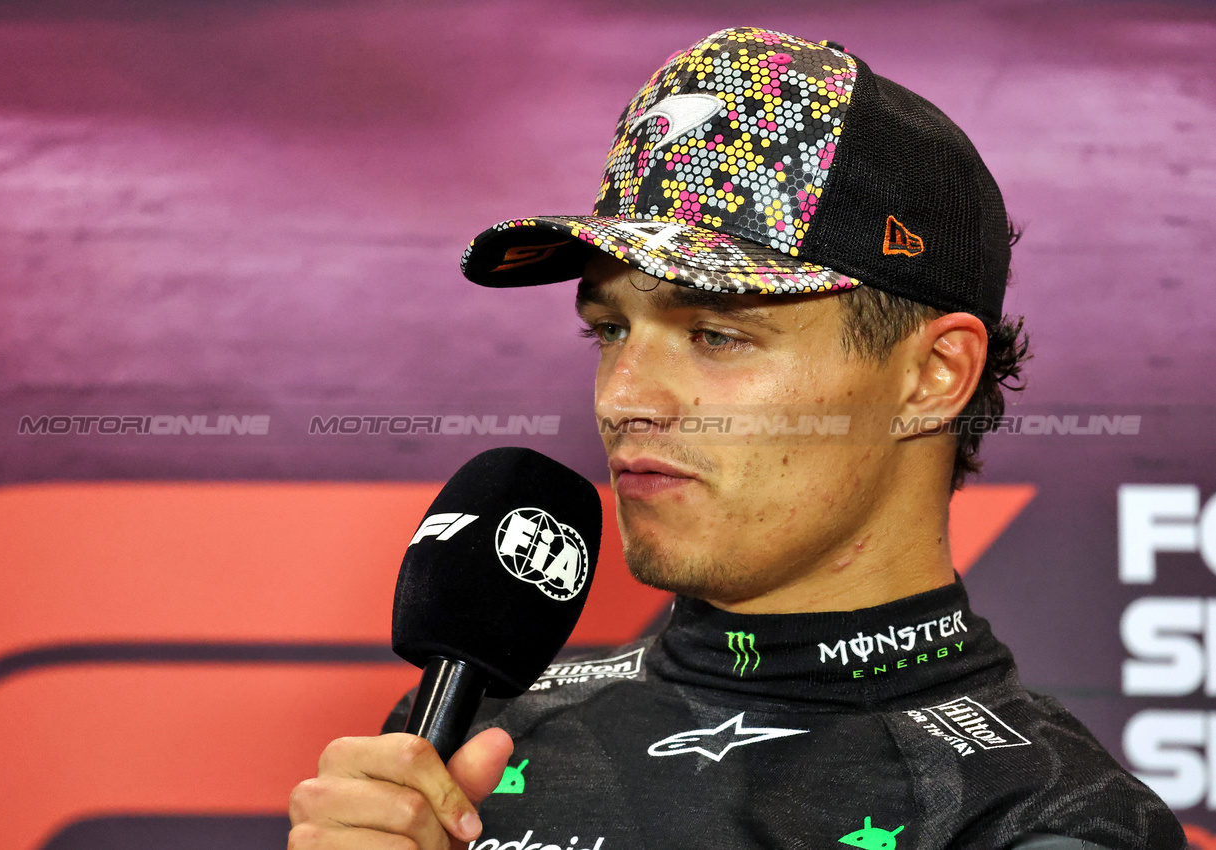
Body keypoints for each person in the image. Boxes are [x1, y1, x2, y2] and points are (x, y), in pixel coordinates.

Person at [288, 27, 1184, 850]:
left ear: (932, 375)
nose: (623, 397)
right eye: (608, 331)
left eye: (717, 334)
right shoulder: (467, 736)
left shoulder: (1044, 819)